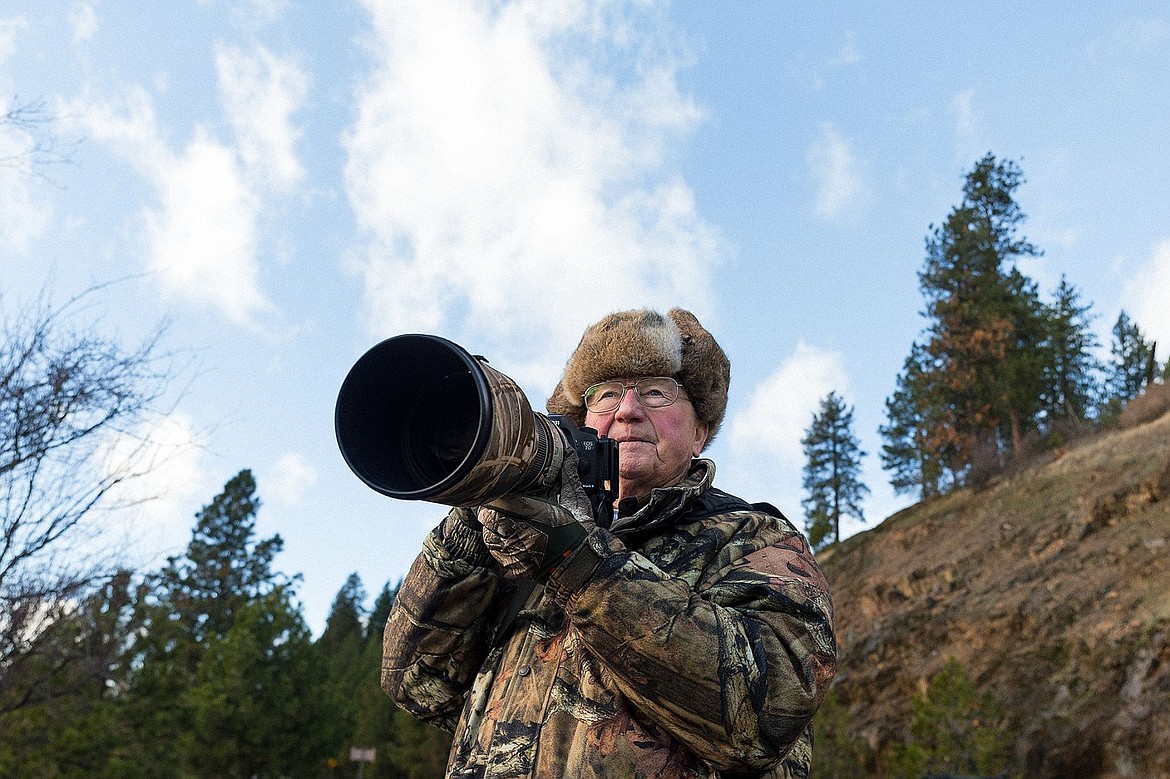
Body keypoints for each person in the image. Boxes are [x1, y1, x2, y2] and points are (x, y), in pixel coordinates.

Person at [382, 308, 836, 778]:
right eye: (605, 395)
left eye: (656, 392)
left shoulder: (753, 539)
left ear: (701, 432)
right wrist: (476, 518)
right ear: (580, 424)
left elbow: (765, 715)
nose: (627, 410)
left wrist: (579, 563)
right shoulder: (517, 546)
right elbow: (417, 685)